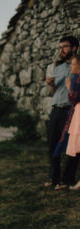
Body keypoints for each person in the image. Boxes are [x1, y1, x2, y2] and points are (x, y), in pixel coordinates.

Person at [44, 36, 79, 188]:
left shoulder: (78, 65)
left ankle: (67, 179)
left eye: (65, 47)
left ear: (74, 48)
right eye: (60, 47)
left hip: (71, 110)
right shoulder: (57, 68)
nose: (61, 50)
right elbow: (54, 91)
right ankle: (54, 178)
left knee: (73, 146)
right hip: (56, 109)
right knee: (52, 144)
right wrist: (51, 84)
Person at [54, 55, 80, 190]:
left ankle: (67, 179)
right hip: (77, 114)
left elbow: (74, 99)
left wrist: (69, 86)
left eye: (74, 64)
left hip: (78, 114)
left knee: (75, 145)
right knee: (75, 145)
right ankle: (67, 179)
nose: (71, 66)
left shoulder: (76, 78)